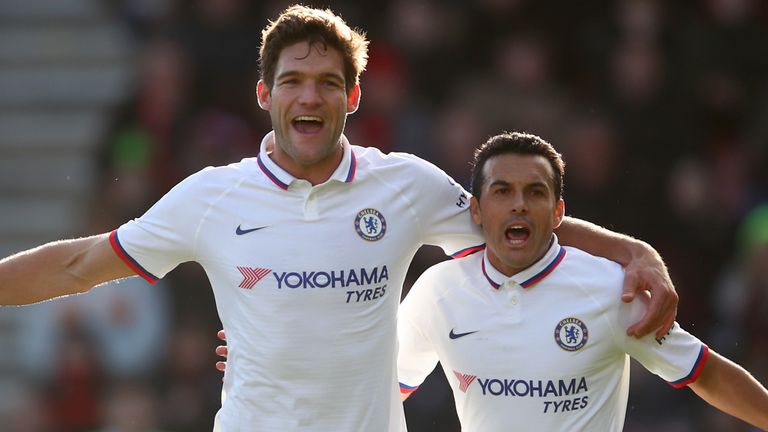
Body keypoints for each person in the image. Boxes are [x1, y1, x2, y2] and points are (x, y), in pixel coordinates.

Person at [0, 5, 676, 431]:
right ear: (265, 94)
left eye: (328, 82)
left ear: (353, 96)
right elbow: (78, 263)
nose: (309, 95)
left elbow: (516, 227)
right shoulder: (212, 195)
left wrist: (632, 253)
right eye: (293, 80)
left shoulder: (404, 184)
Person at [397, 132, 768, 431]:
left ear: (558, 211)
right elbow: (384, 392)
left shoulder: (611, 290)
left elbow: (706, 373)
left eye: (536, 192)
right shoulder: (438, 292)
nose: (519, 204)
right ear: (476, 209)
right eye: (502, 191)